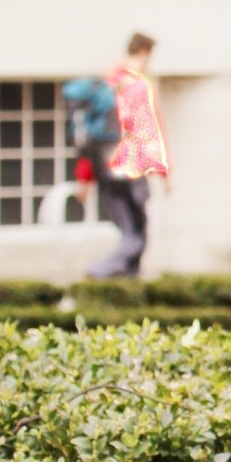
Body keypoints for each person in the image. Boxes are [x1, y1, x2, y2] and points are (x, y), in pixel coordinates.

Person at [82, 32, 169, 279]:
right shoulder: (138, 84)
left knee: (129, 230)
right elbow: (147, 129)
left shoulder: (110, 80)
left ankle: (128, 281)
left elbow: (91, 134)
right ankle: (101, 269)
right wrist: (162, 169)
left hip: (106, 170)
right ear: (144, 52)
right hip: (130, 168)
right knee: (138, 234)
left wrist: (86, 179)